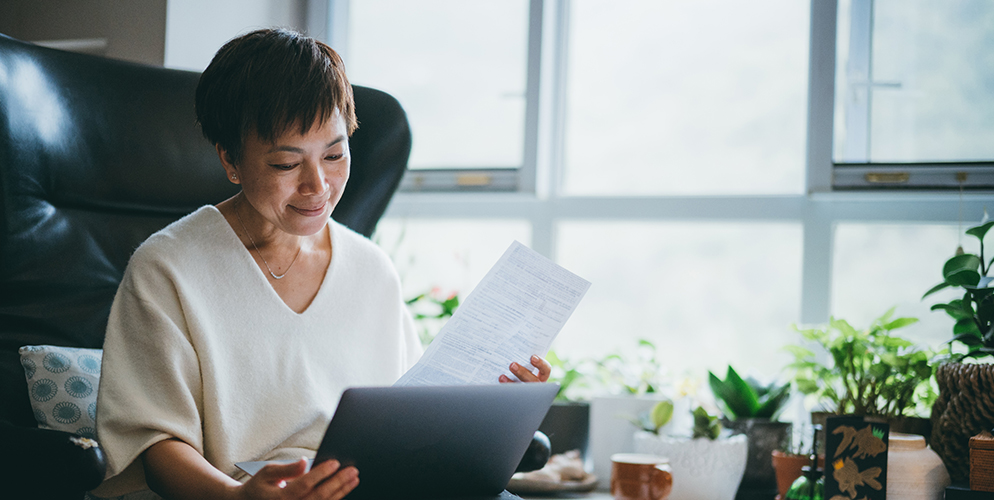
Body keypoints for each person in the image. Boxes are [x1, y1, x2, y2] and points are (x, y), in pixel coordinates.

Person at [93, 28, 551, 500]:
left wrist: (501, 401)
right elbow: (156, 445)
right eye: (286, 165)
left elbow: (414, 422)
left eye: (334, 154)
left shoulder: (371, 269)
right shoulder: (167, 268)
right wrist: (236, 497)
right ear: (231, 160)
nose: (318, 185)